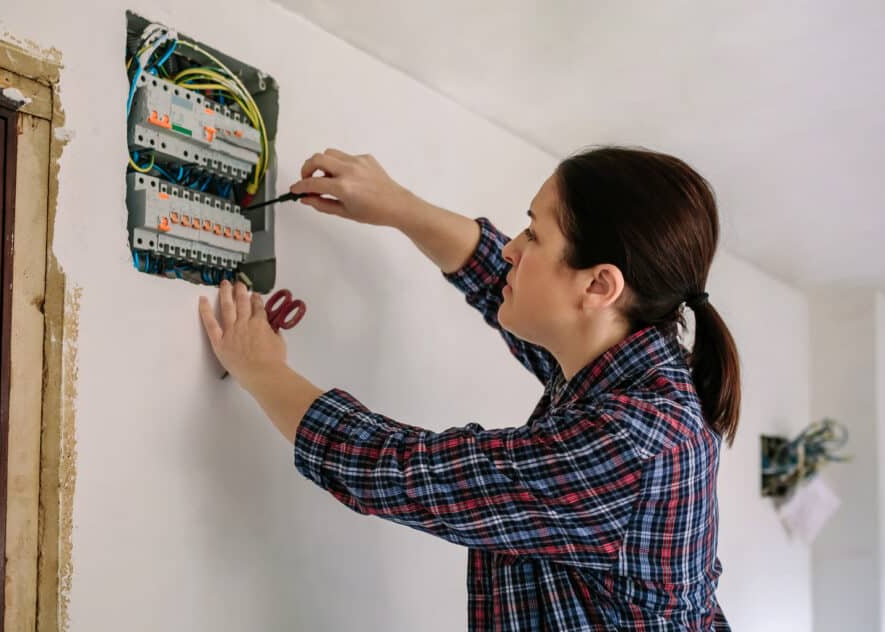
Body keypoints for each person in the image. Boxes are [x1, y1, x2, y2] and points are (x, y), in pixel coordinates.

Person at [198, 146, 738, 631]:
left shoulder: (633, 441)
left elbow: (407, 473)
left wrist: (263, 370)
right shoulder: (633, 366)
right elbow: (498, 281)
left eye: (533, 234)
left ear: (599, 285)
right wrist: (396, 205)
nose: (512, 249)